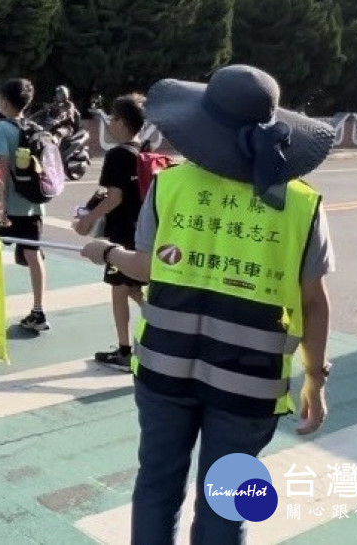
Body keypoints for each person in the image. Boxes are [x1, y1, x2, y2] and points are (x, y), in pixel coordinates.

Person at [79, 64, 335, 545]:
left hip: (164, 370)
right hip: (250, 386)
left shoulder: (171, 185)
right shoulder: (303, 205)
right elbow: (315, 303)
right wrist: (315, 381)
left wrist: (106, 253)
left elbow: (150, 267)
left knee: (156, 486)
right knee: (227, 503)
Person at [73, 93, 149, 369]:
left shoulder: (118, 154)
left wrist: (87, 220)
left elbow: (114, 197)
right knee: (131, 288)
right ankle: (160, 322)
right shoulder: (146, 151)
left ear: (121, 122)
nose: (110, 124)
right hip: (143, 232)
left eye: (113, 118)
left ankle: (124, 350)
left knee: (119, 291)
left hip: (120, 233)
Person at [0, 78, 50, 332]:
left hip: (10, 205)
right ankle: (38, 310)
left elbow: (1, 168)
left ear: (4, 101)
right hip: (34, 205)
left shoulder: (2, 129)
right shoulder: (34, 127)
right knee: (33, 256)